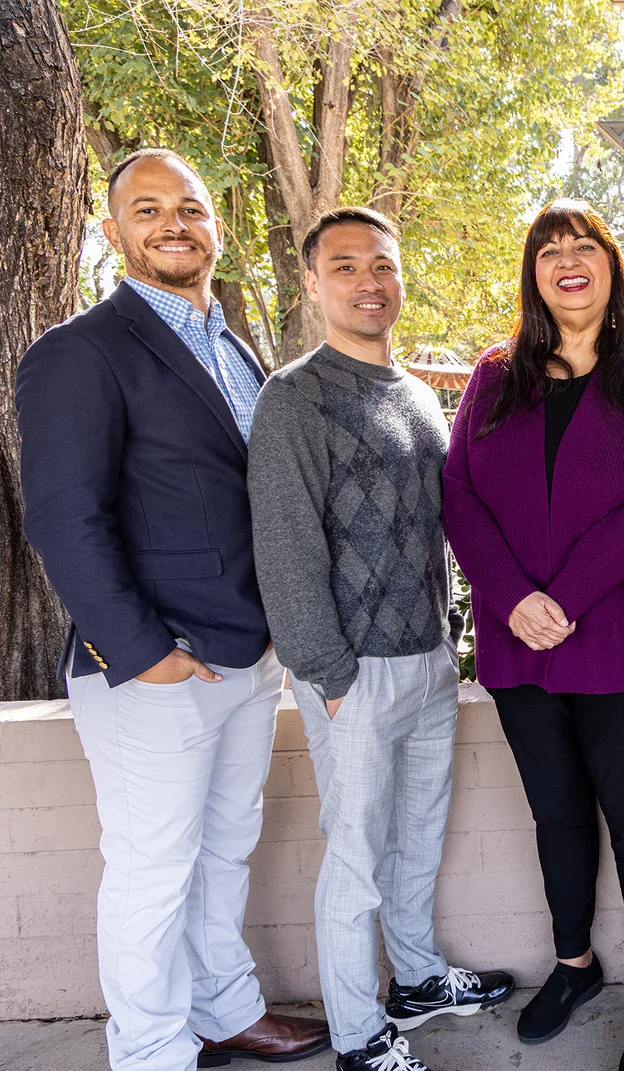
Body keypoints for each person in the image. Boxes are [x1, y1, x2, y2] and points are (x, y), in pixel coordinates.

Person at [14, 148, 329, 1071]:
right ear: (112, 234)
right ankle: (152, 1051)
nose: (173, 224)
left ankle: (225, 1010)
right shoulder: (78, 352)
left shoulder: (234, 345)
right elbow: (64, 519)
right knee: (152, 874)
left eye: (189, 207)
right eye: (146, 209)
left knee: (224, 850)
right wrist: (143, 650)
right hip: (156, 665)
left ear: (215, 225)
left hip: (246, 653)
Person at [247, 207, 515, 1071]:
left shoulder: (417, 397)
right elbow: (286, 546)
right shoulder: (293, 398)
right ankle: (361, 1036)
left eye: (384, 265)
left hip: (432, 661)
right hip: (351, 674)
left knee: (419, 836)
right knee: (356, 857)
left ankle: (419, 979)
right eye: (347, 266)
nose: (370, 281)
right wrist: (326, 673)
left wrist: (456, 644)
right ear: (314, 281)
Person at [442, 199, 624, 1071]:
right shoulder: (493, 374)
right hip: (520, 645)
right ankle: (575, 965)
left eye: (585, 245)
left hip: (618, 636)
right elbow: (458, 493)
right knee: (556, 816)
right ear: (533, 273)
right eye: (550, 250)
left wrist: (566, 596)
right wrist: (512, 597)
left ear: (611, 266)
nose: (568, 259)